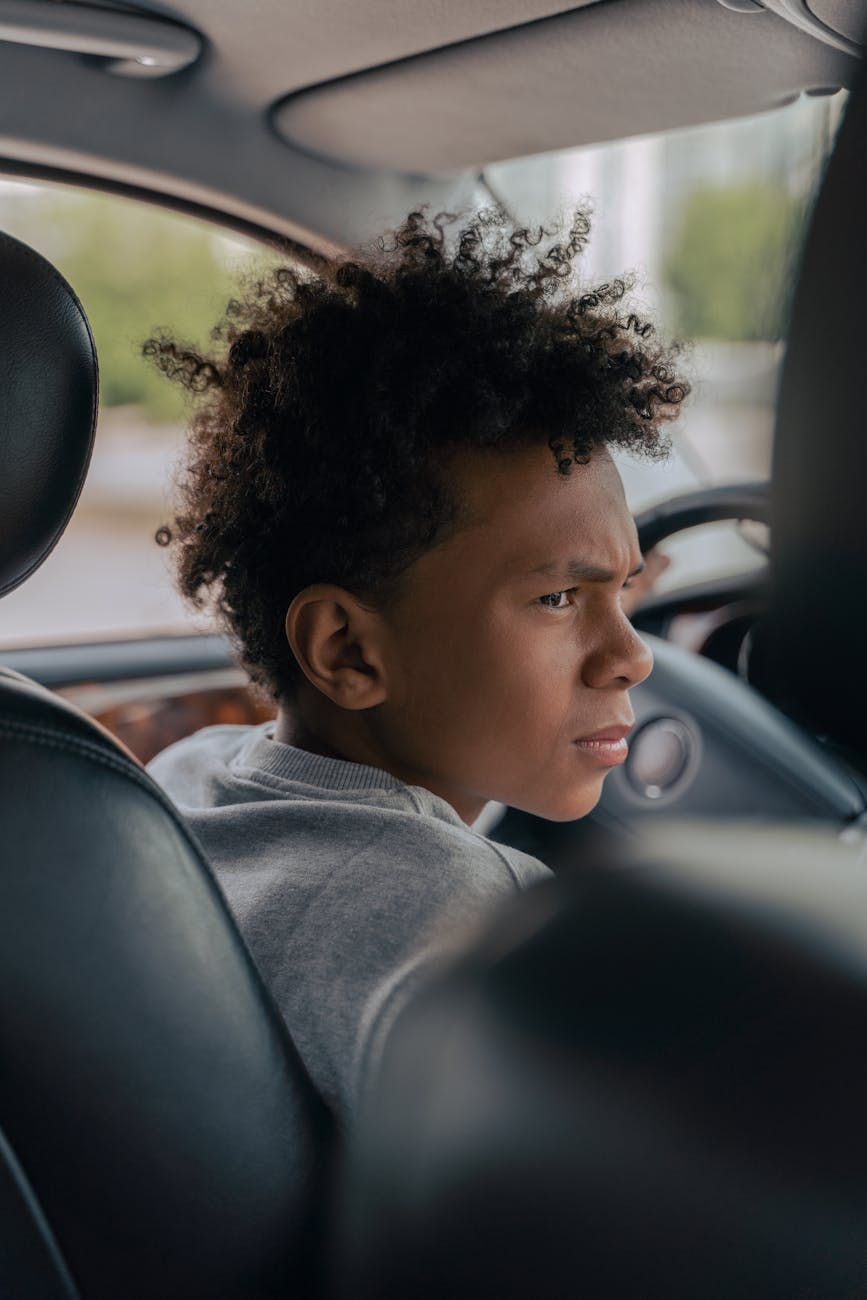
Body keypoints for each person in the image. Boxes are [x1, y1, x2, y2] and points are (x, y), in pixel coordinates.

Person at [144, 208, 688, 1126]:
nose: (631, 656)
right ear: (348, 652)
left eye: (626, 591)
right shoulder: (470, 922)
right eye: (559, 599)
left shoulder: (196, 774)